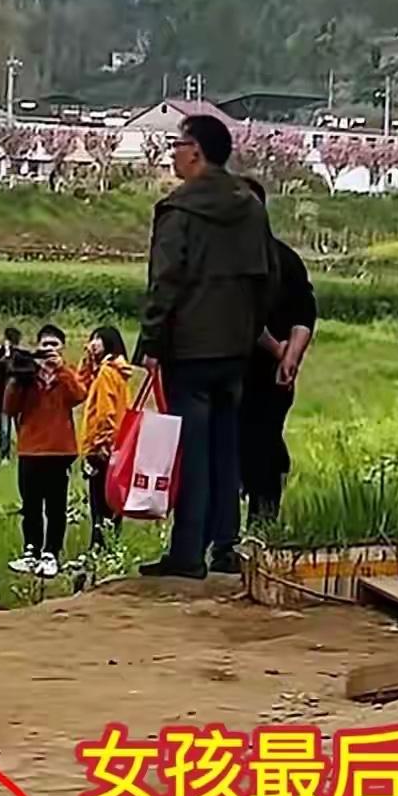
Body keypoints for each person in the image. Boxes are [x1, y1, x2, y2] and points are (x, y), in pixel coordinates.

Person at [136, 113, 273, 580]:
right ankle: (226, 547)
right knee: (225, 447)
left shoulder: (179, 210)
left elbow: (165, 281)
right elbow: (267, 277)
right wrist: (248, 331)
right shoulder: (250, 206)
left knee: (192, 450)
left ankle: (187, 552)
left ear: (195, 151)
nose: (172, 154)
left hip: (190, 349)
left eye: (176, 145)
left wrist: (152, 341)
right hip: (235, 349)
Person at [240, 178, 317, 525]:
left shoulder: (280, 259)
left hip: (263, 373)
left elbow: (303, 311)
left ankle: (260, 524)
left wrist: (289, 356)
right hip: (245, 368)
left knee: (263, 442)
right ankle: (239, 529)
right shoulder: (226, 257)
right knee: (249, 445)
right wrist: (282, 352)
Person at [5, 323, 88, 580]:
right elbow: (9, 407)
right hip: (30, 449)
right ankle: (31, 551)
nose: (49, 349)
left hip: (59, 450)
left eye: (54, 345)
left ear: (62, 348)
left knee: (55, 507)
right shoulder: (28, 374)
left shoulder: (67, 373)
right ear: (37, 347)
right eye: (44, 345)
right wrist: (18, 378)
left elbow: (79, 396)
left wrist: (60, 369)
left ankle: (51, 552)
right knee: (30, 506)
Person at [78, 326, 132, 550]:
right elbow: (82, 383)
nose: (93, 343)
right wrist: (87, 361)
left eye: (98, 339)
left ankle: (99, 548)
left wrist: (101, 442)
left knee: (99, 503)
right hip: (119, 445)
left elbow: (105, 411)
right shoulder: (118, 371)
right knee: (112, 501)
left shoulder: (107, 373)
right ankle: (110, 548)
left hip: (102, 447)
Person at [0, 326, 22, 459]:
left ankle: (24, 452)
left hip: (19, 397)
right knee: (4, 428)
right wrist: (7, 354)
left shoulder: (21, 355)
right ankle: (4, 455)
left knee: (21, 427)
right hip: (1, 397)